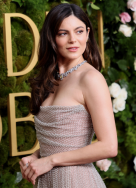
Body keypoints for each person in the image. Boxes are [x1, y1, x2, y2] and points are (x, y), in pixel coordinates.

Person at [19, 3, 118, 188]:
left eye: (79, 31)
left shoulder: (91, 78)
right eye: (63, 33)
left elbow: (109, 146)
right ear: (51, 38)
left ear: (88, 33)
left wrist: (49, 161)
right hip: (47, 181)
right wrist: (36, 157)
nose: (73, 40)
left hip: (77, 181)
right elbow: (63, 141)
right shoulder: (49, 79)